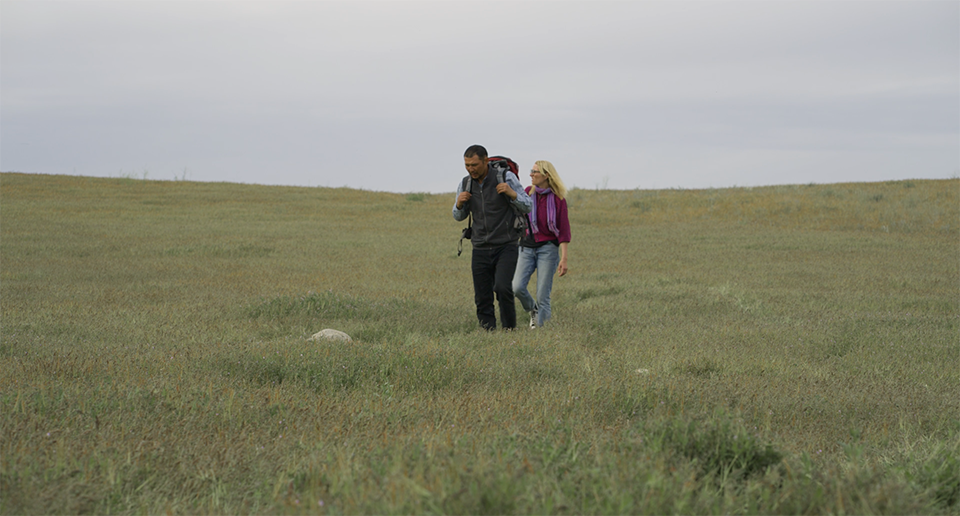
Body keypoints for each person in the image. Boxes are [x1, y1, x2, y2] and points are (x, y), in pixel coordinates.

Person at [452, 145, 532, 330]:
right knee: (482, 295)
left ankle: (509, 330)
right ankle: (487, 331)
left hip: (506, 244)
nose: (470, 169)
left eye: (474, 165)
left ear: (486, 161)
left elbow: (528, 205)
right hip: (480, 246)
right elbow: (458, 216)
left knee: (503, 288)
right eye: (467, 165)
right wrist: (459, 204)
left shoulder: (505, 177)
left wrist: (512, 194)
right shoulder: (465, 183)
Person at [512, 160, 571, 328]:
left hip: (548, 249)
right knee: (517, 287)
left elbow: (564, 230)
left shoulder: (559, 199)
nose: (531, 174)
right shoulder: (527, 193)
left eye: (535, 171)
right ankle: (533, 310)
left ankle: (540, 332)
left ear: (546, 175)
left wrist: (564, 259)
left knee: (543, 295)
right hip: (526, 247)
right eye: (531, 171)